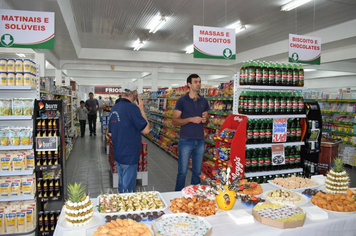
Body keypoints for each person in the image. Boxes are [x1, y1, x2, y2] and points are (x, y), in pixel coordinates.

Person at [108, 82, 150, 193]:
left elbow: (110, 133)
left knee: (122, 184)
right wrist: (141, 109)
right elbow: (146, 130)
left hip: (118, 154)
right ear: (134, 93)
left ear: (122, 93)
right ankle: (125, 209)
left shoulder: (114, 109)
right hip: (129, 155)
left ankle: (121, 206)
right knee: (128, 191)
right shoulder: (132, 109)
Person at [172, 74, 209, 191]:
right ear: (189, 84)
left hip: (200, 140)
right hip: (186, 140)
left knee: (197, 172)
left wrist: (205, 119)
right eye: (195, 82)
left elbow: (207, 122)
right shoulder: (182, 101)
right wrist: (190, 119)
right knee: (182, 172)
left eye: (199, 81)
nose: (198, 84)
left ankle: (195, 195)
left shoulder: (204, 101)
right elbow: (174, 121)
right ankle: (177, 195)